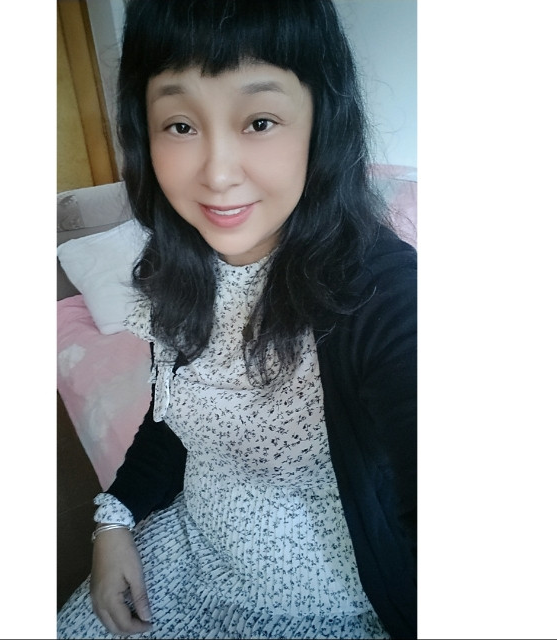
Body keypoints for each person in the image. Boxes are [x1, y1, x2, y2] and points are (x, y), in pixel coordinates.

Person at [57, 0, 416, 638]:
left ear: (321, 122)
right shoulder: (177, 266)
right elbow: (175, 418)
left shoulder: (380, 290)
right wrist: (113, 523)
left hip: (324, 610)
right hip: (184, 554)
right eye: (180, 125)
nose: (218, 175)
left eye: (259, 121)